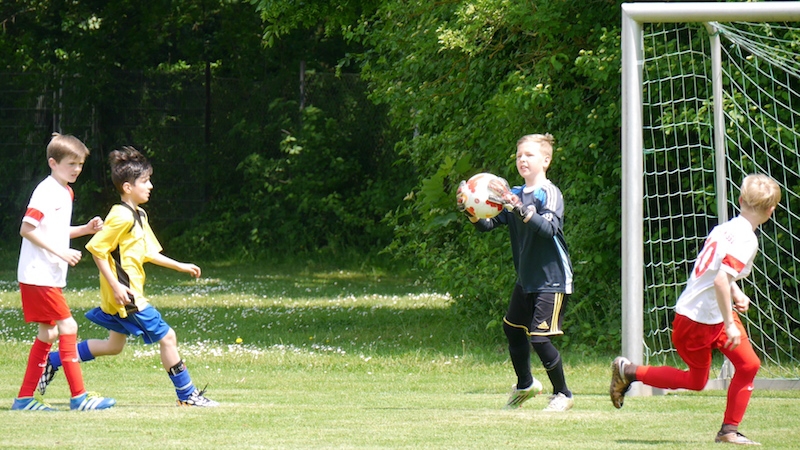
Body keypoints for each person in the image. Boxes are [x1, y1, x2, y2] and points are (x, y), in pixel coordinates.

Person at [38, 146, 218, 407]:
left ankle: (52, 361)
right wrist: (117, 287)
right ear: (127, 187)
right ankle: (187, 395)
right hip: (126, 296)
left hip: (123, 295)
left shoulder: (139, 215)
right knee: (168, 337)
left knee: (114, 346)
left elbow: (148, 252)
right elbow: (97, 250)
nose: (150, 186)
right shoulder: (120, 215)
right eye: (145, 181)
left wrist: (180, 266)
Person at [610, 174, 781, 446]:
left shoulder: (724, 229)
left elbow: (717, 273)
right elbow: (720, 280)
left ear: (740, 200)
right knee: (696, 381)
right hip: (698, 320)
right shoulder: (747, 239)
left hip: (710, 314)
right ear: (771, 211)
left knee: (749, 364)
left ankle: (729, 430)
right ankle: (629, 371)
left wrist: (736, 292)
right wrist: (729, 324)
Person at [457, 133, 575, 412]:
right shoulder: (514, 195)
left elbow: (549, 229)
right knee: (511, 329)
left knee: (540, 339)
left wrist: (520, 208)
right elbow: (487, 225)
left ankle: (563, 394)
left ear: (546, 160)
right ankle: (525, 386)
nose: (522, 159)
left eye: (529, 155)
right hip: (526, 280)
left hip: (552, 279)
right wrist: (470, 211)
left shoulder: (549, 193)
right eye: (519, 155)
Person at [12, 132, 116, 411]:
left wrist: (85, 229)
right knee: (68, 327)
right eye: (71, 164)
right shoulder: (46, 191)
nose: (77, 169)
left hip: (44, 276)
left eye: (80, 164)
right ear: (53, 163)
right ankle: (79, 398)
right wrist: (61, 252)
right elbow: (27, 229)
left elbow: (53, 231)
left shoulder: (65, 191)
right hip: (38, 275)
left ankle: (24, 399)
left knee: (48, 333)